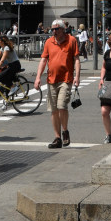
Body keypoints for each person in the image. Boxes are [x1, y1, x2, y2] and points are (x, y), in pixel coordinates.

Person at [33, 19, 80, 149]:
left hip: (66, 78)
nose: (54, 31)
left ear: (62, 29)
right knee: (53, 110)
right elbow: (43, 61)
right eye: (52, 29)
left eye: (56, 29)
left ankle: (65, 131)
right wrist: (38, 78)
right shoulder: (49, 42)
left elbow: (76, 60)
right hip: (51, 79)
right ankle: (57, 138)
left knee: (62, 106)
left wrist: (77, 76)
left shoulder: (71, 40)